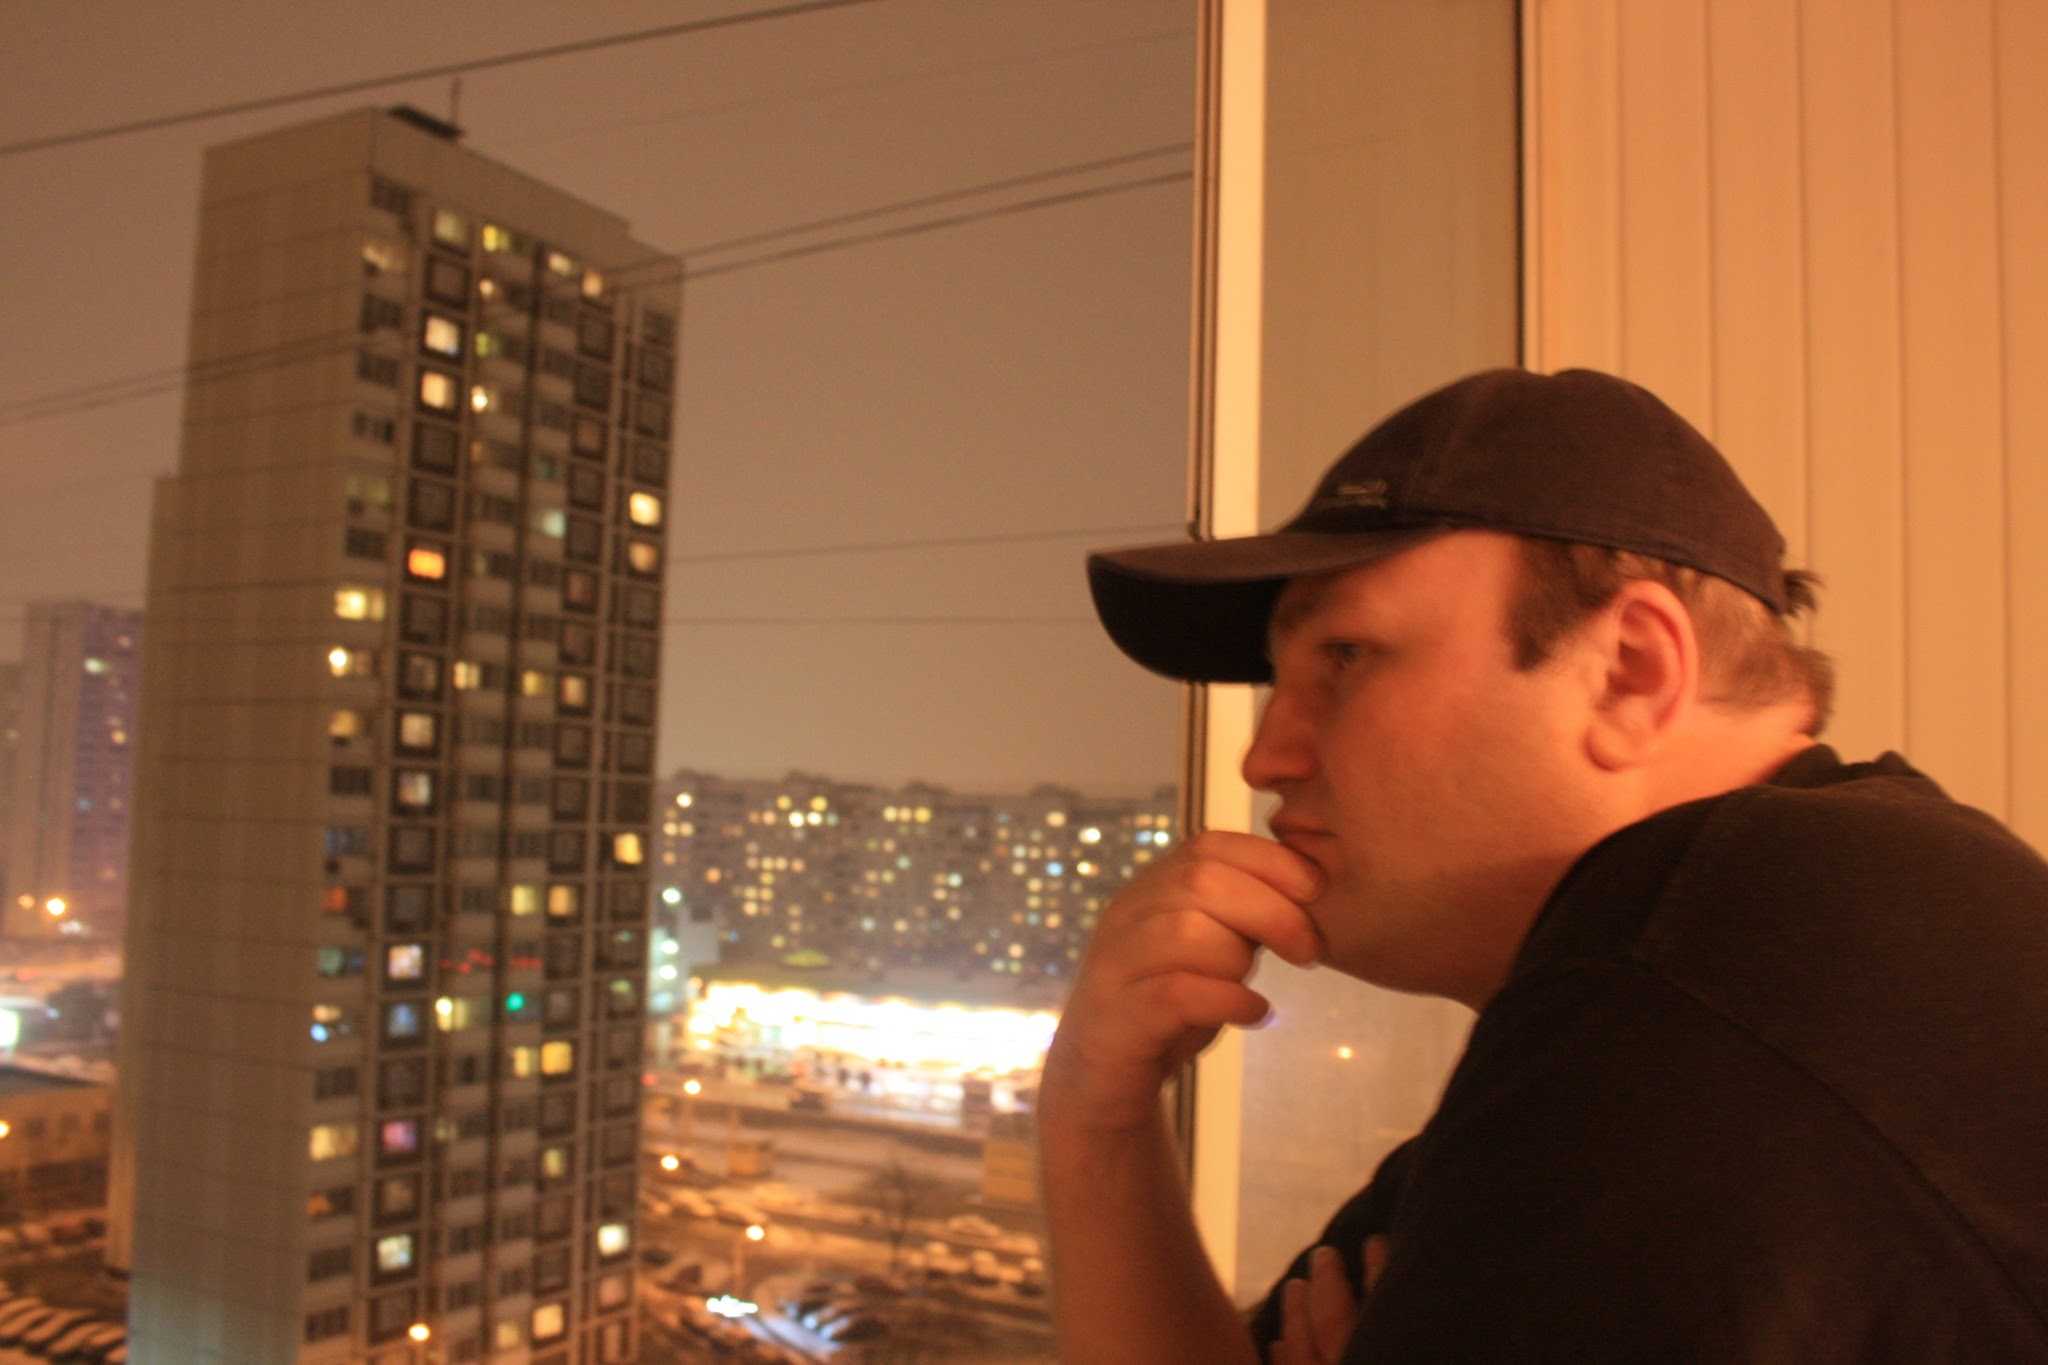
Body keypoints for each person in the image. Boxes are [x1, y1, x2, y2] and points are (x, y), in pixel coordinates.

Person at [1038, 367, 2048, 1363]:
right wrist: (1097, 1114)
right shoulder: (1694, 988)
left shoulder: (1731, 947)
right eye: (1278, 678)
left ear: (1629, 672)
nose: (1265, 758)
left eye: (1345, 656)